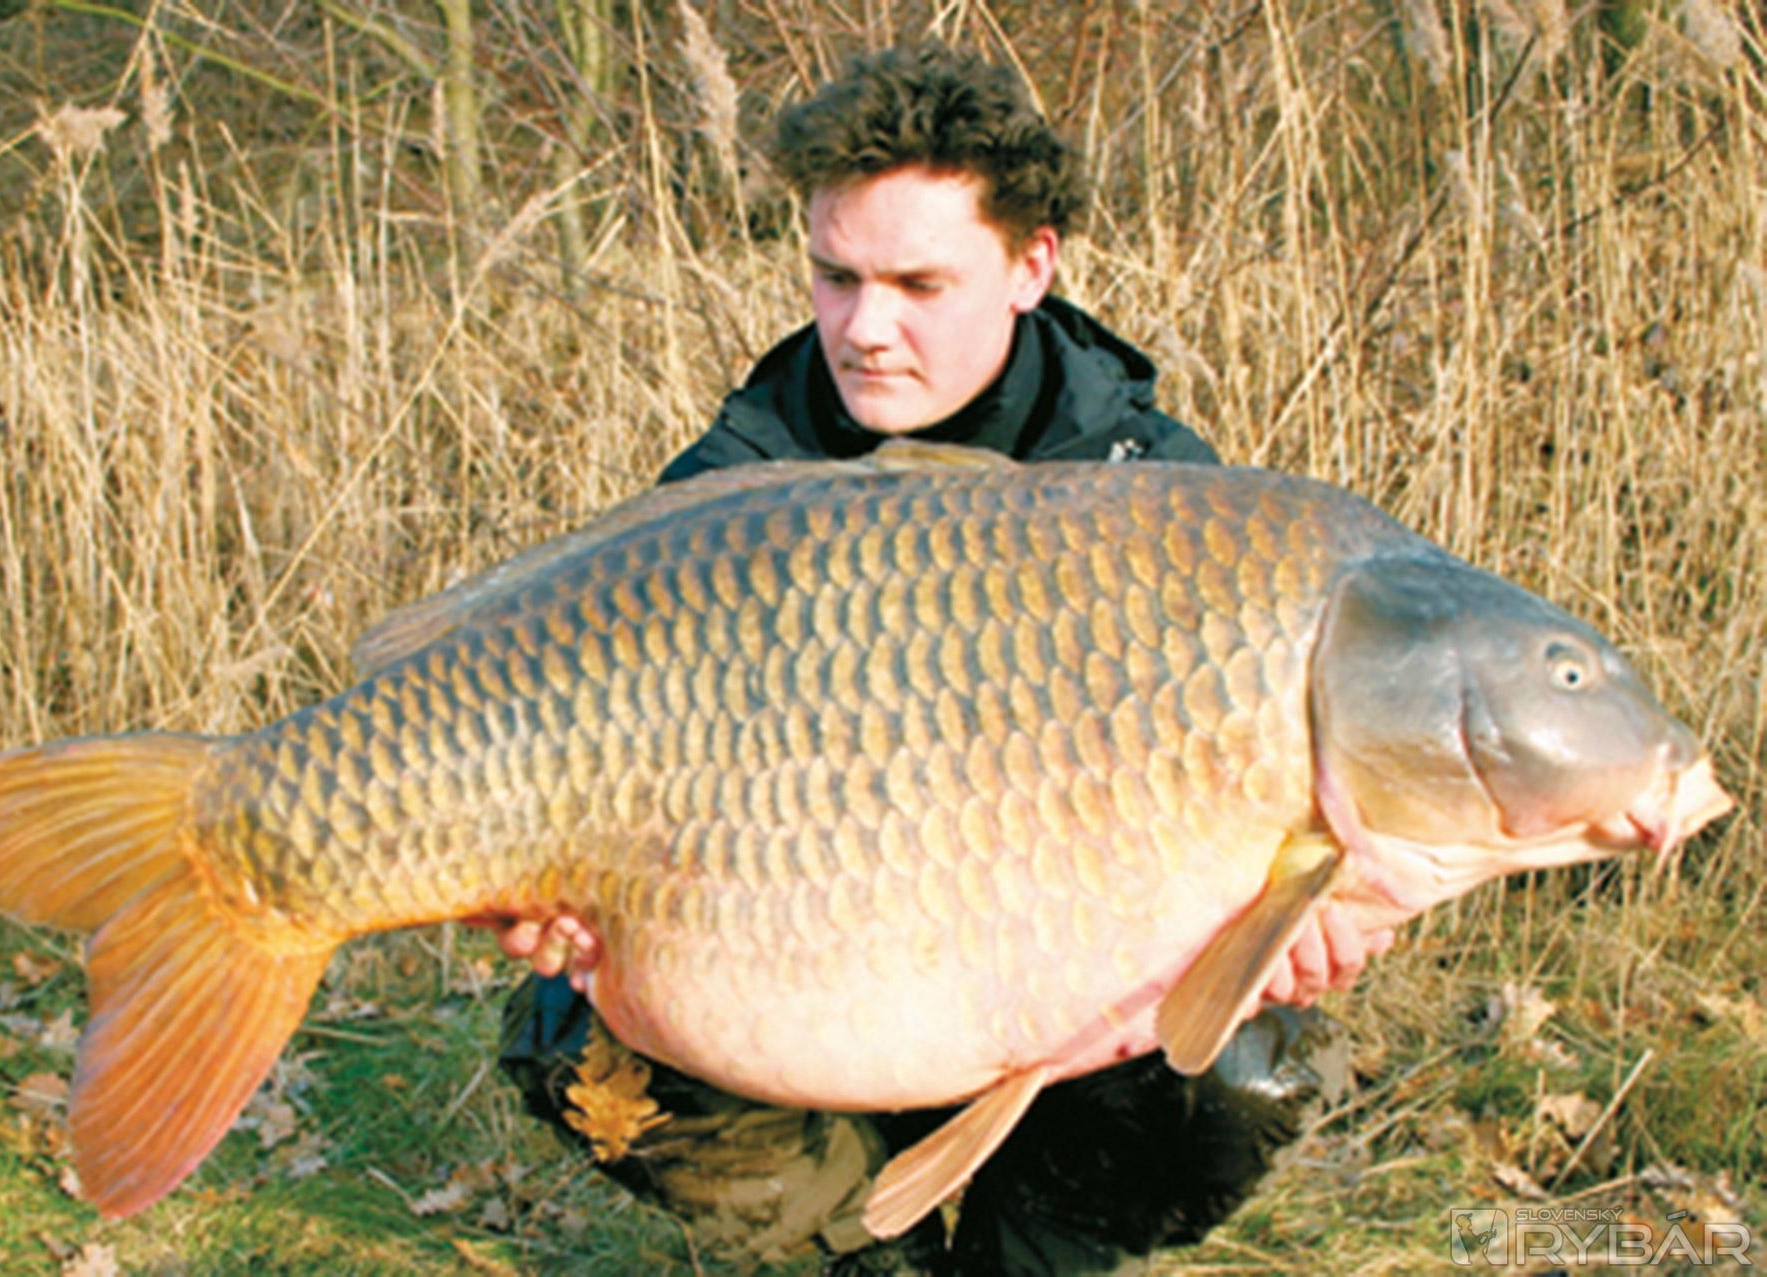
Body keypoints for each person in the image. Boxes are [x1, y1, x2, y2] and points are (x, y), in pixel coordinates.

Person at [494, 43, 1384, 1276]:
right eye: (836, 276)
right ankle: (859, 1256)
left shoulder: (1166, 501)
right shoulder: (728, 489)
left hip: (1064, 990)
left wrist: (1301, 915)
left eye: (919, 283)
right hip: (805, 983)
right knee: (575, 1035)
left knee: (1249, 1059)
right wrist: (568, 890)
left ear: (1032, 265)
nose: (866, 329)